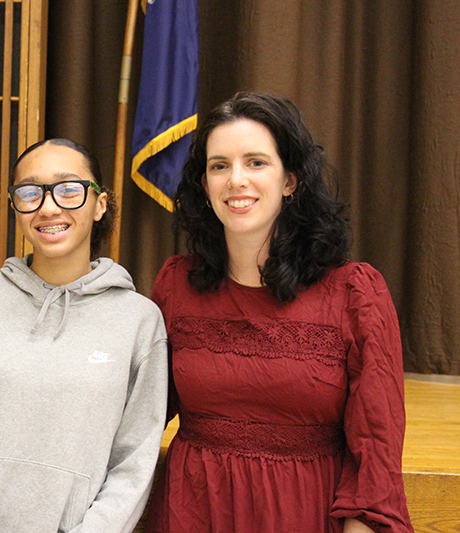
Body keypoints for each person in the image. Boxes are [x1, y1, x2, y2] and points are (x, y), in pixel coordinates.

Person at [145, 92, 412, 532]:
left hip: (305, 513)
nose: (236, 180)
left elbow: (376, 450)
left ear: (290, 180)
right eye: (219, 166)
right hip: (192, 513)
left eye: (255, 162)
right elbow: (139, 415)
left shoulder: (354, 293)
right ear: (204, 184)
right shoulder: (176, 285)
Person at [0, 138, 168, 532]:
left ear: (100, 204)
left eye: (68, 189)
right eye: (30, 192)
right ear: (16, 206)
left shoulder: (139, 321)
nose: (48, 206)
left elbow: (133, 464)